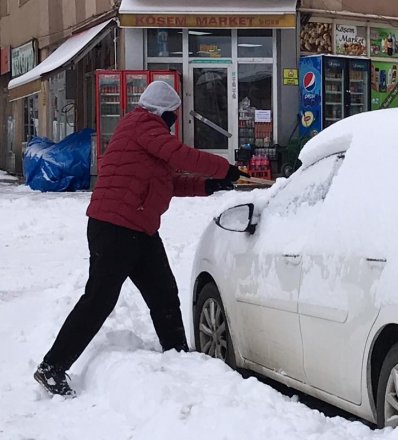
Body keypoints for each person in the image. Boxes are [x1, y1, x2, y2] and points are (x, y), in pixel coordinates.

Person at [33, 81, 246, 397]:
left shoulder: (144, 135)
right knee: (100, 299)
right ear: (162, 111)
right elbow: (182, 156)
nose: (174, 121)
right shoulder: (142, 125)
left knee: (163, 292)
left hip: (138, 227)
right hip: (116, 227)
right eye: (173, 115)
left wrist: (208, 186)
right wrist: (224, 169)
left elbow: (168, 181)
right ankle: (52, 367)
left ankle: (177, 357)